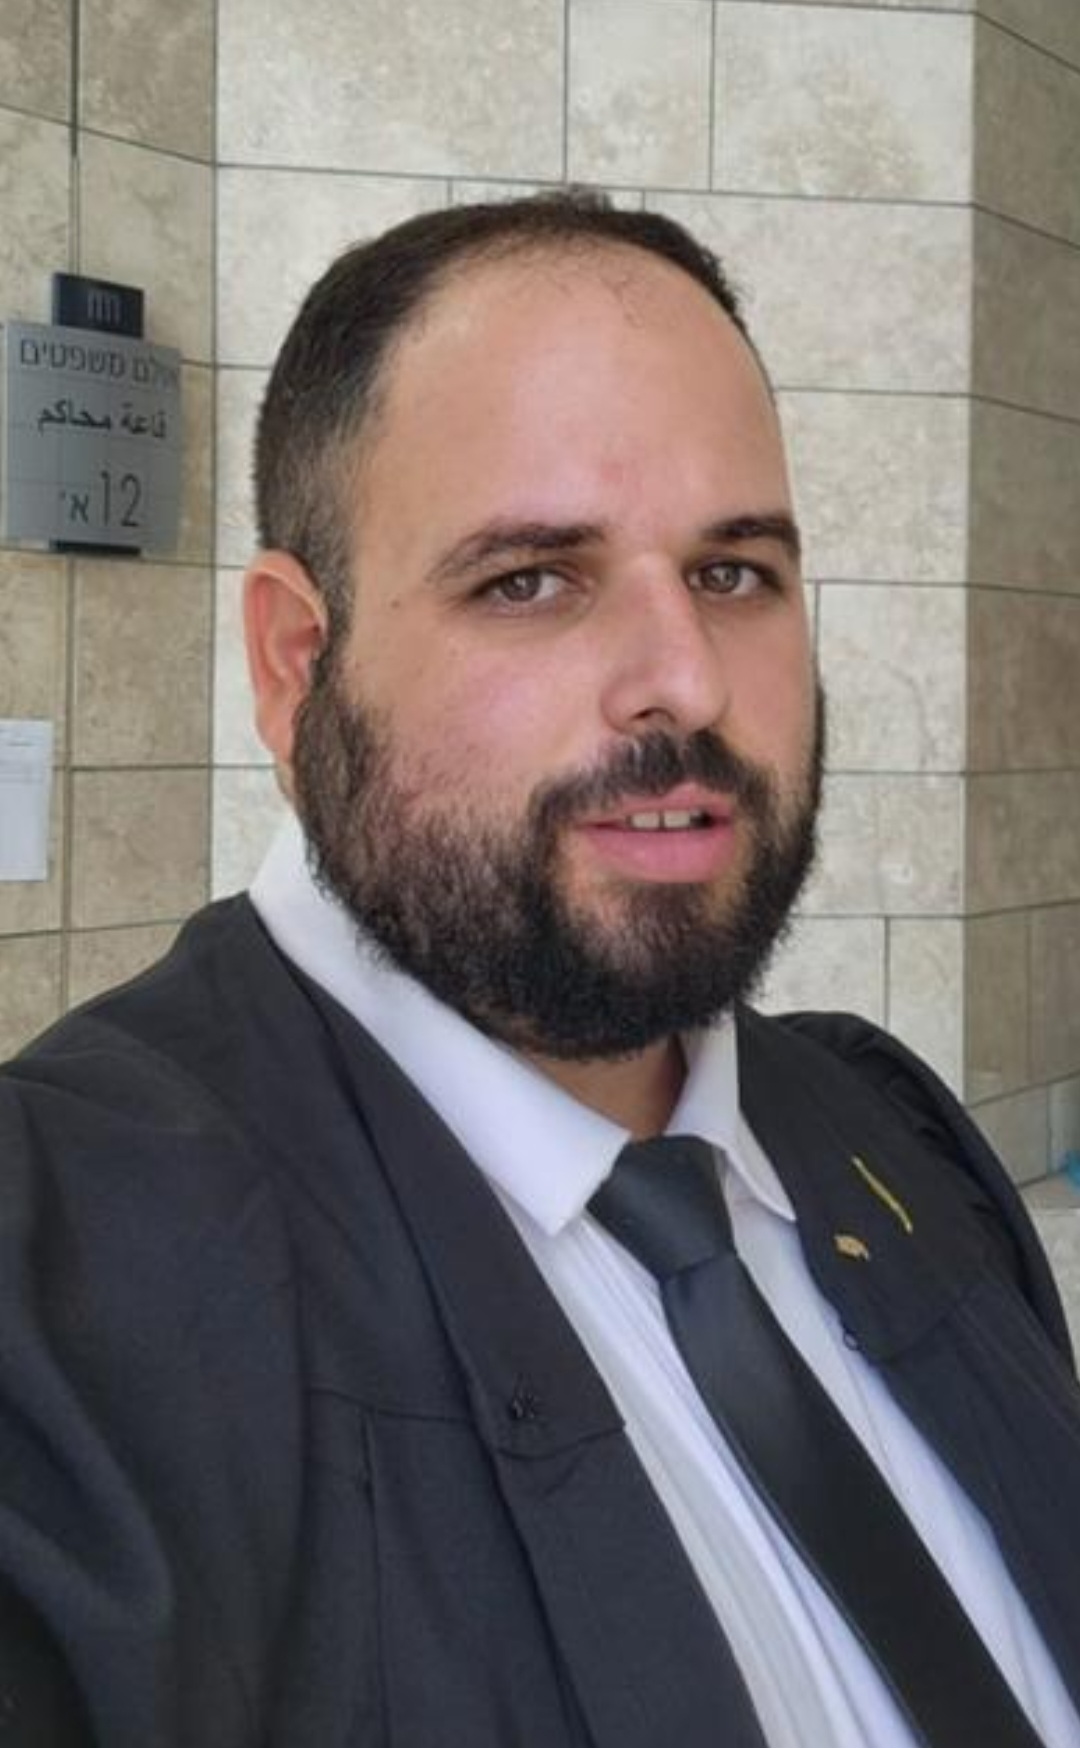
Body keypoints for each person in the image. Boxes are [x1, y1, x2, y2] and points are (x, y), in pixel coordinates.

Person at [1, 191, 1079, 1748]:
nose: (685, 681)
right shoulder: (63, 1292)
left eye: (733, 572)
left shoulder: (893, 1145)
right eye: (531, 580)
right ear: (297, 663)